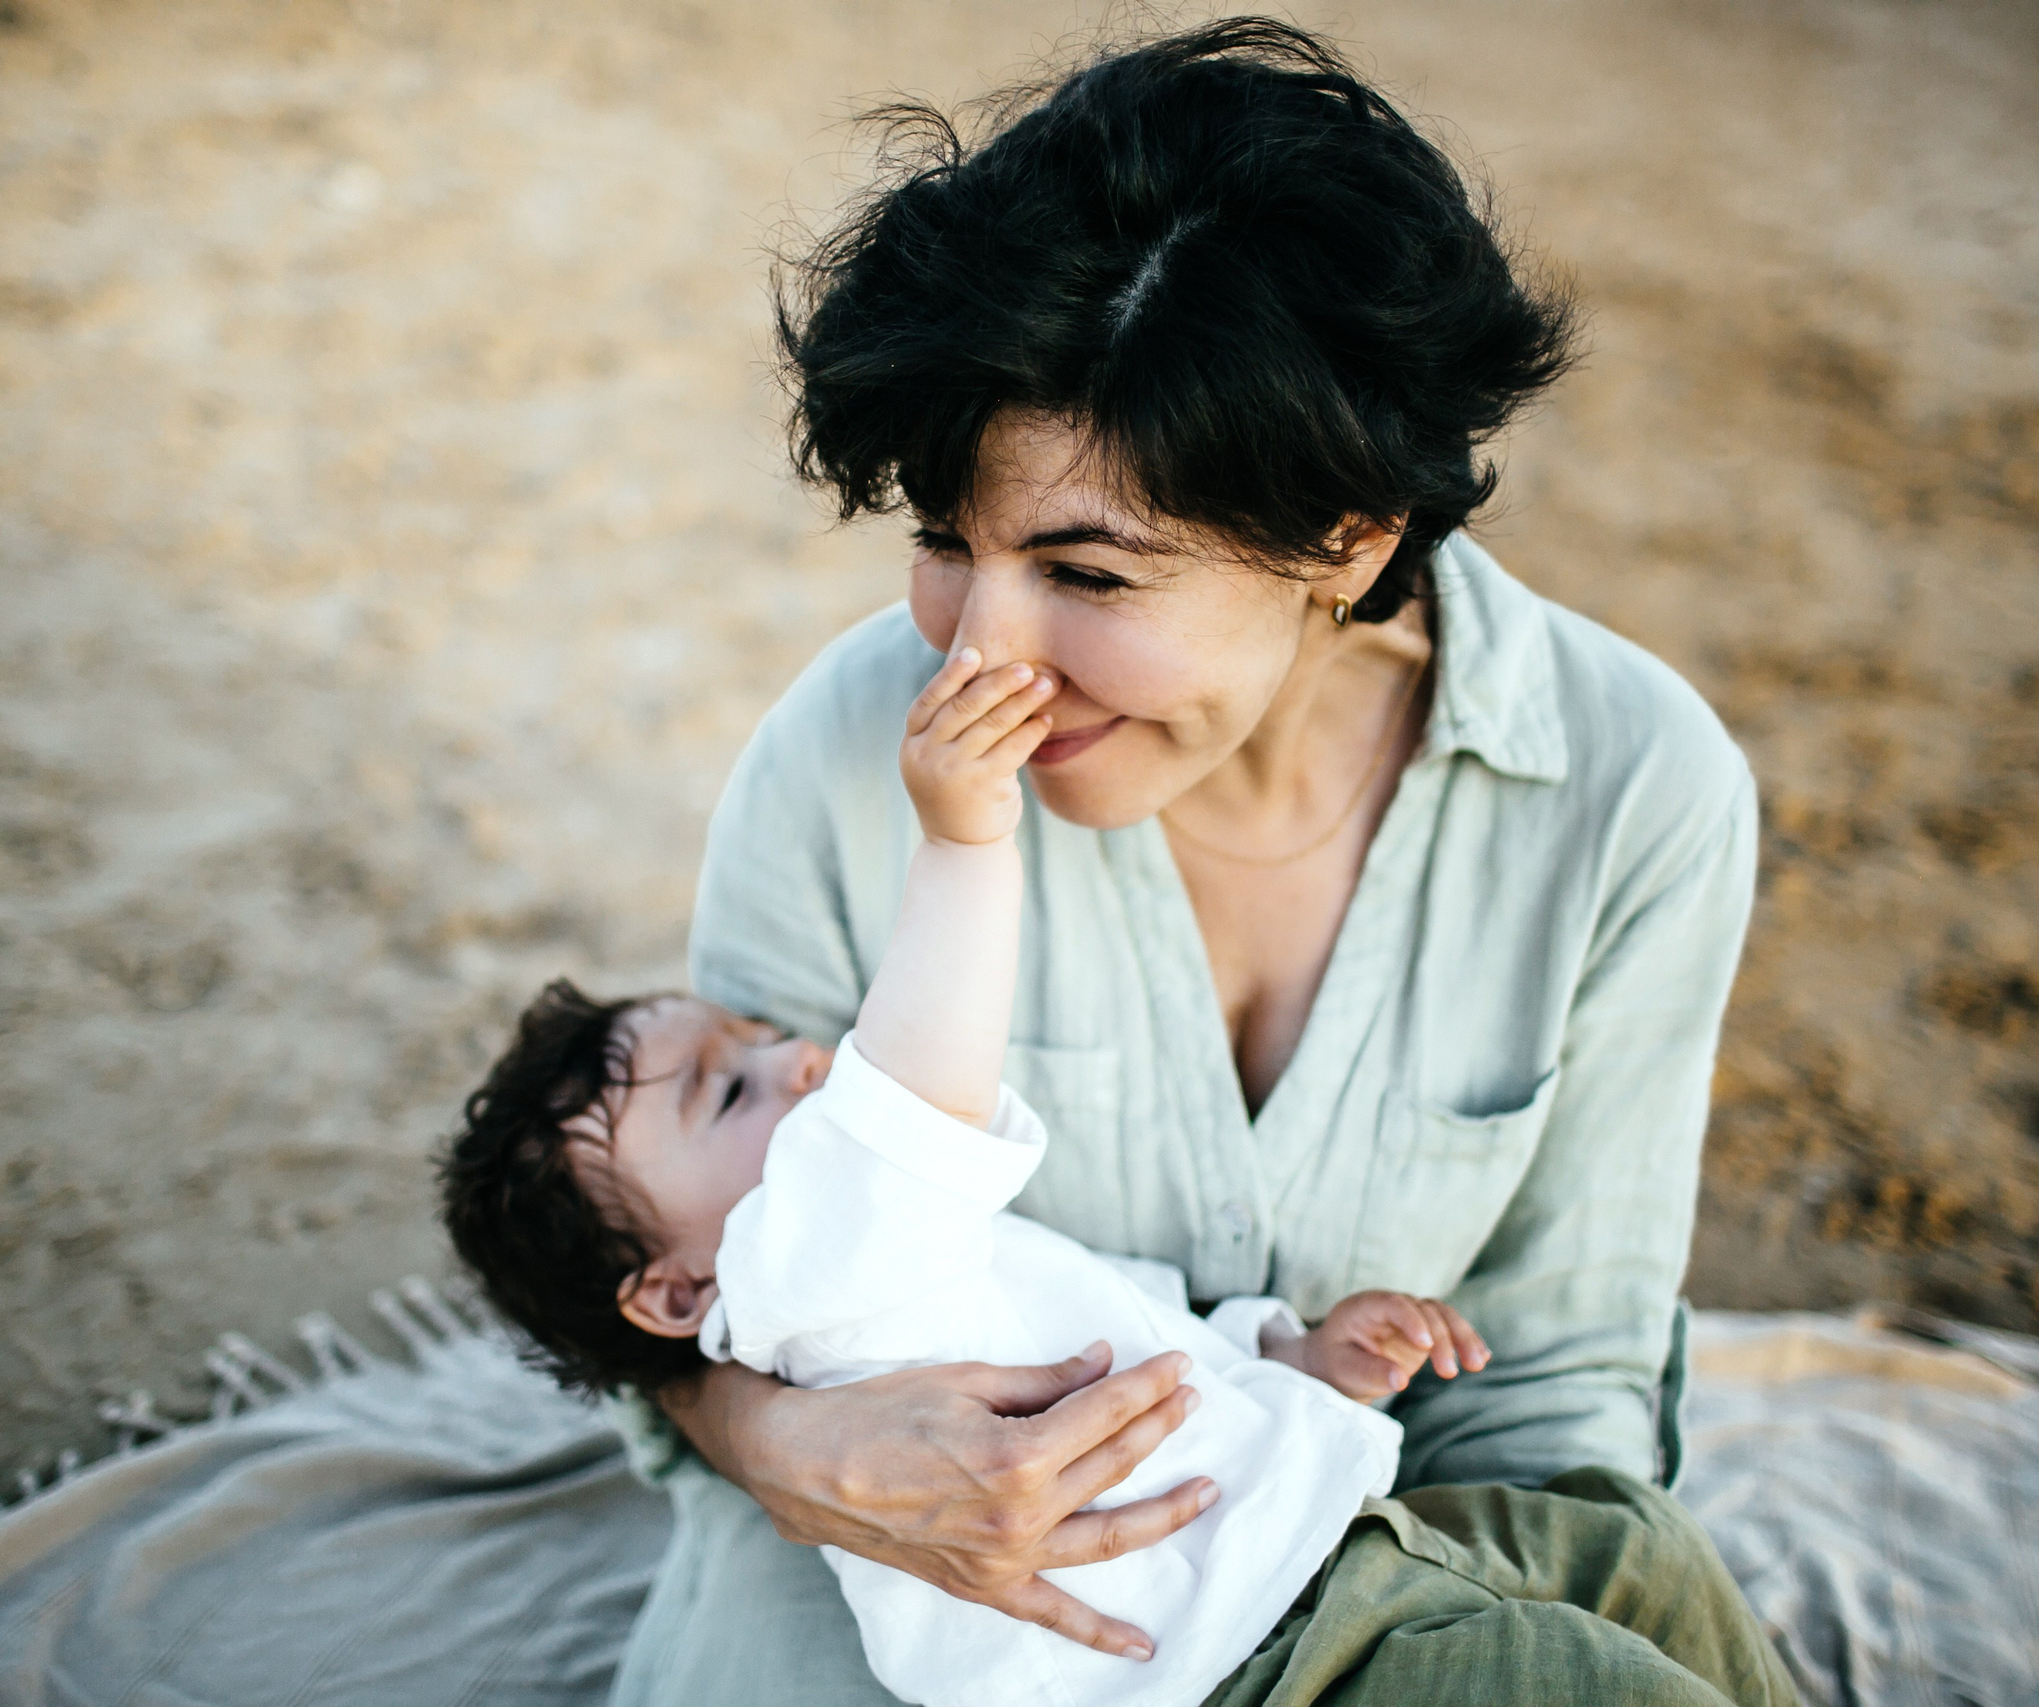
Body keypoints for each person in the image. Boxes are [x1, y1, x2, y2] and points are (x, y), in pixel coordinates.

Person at [597, 18, 1793, 1705]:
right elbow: (685, 1283)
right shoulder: (842, 754)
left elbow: (1562, 1372)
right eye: (949, 539)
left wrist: (1362, 1615)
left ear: (1349, 536)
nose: (974, 661)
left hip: (1358, 1534)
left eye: (1086, 573)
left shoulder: (1633, 787)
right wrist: (817, 1453)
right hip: (893, 1571)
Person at [440, 646, 1498, 1706]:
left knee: (1634, 1571)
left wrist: (1298, 1353)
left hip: (1306, 1541)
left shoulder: (912, 1270)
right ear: (679, 1290)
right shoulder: (809, 1279)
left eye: (756, 1037)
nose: (801, 1058)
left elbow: (1137, 1342)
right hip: (1239, 1651)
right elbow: (919, 1080)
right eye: (727, 1092)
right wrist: (963, 844)